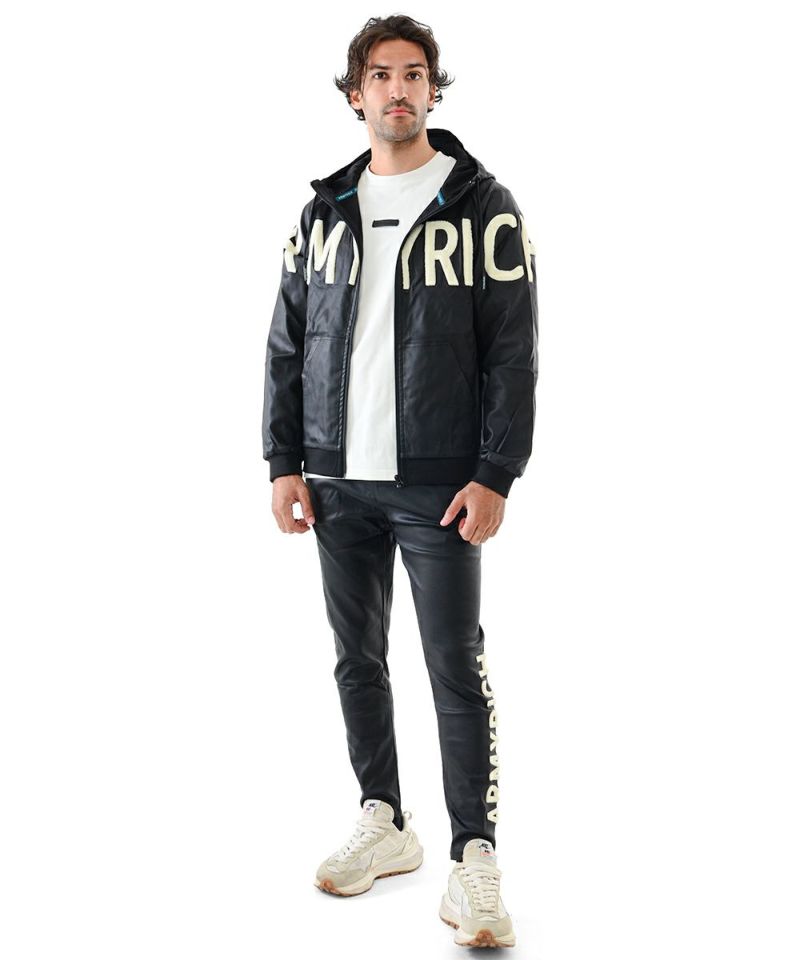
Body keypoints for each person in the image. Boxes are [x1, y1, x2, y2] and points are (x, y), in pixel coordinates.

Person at [262, 14, 537, 949]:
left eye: (414, 74)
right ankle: (384, 818)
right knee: (357, 659)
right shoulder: (321, 214)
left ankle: (474, 856)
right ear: (356, 94)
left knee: (455, 666)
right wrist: (284, 461)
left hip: (439, 486)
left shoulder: (482, 206)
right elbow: (287, 343)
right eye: (380, 75)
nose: (397, 89)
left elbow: (513, 351)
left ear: (433, 90)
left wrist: (496, 471)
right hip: (338, 482)